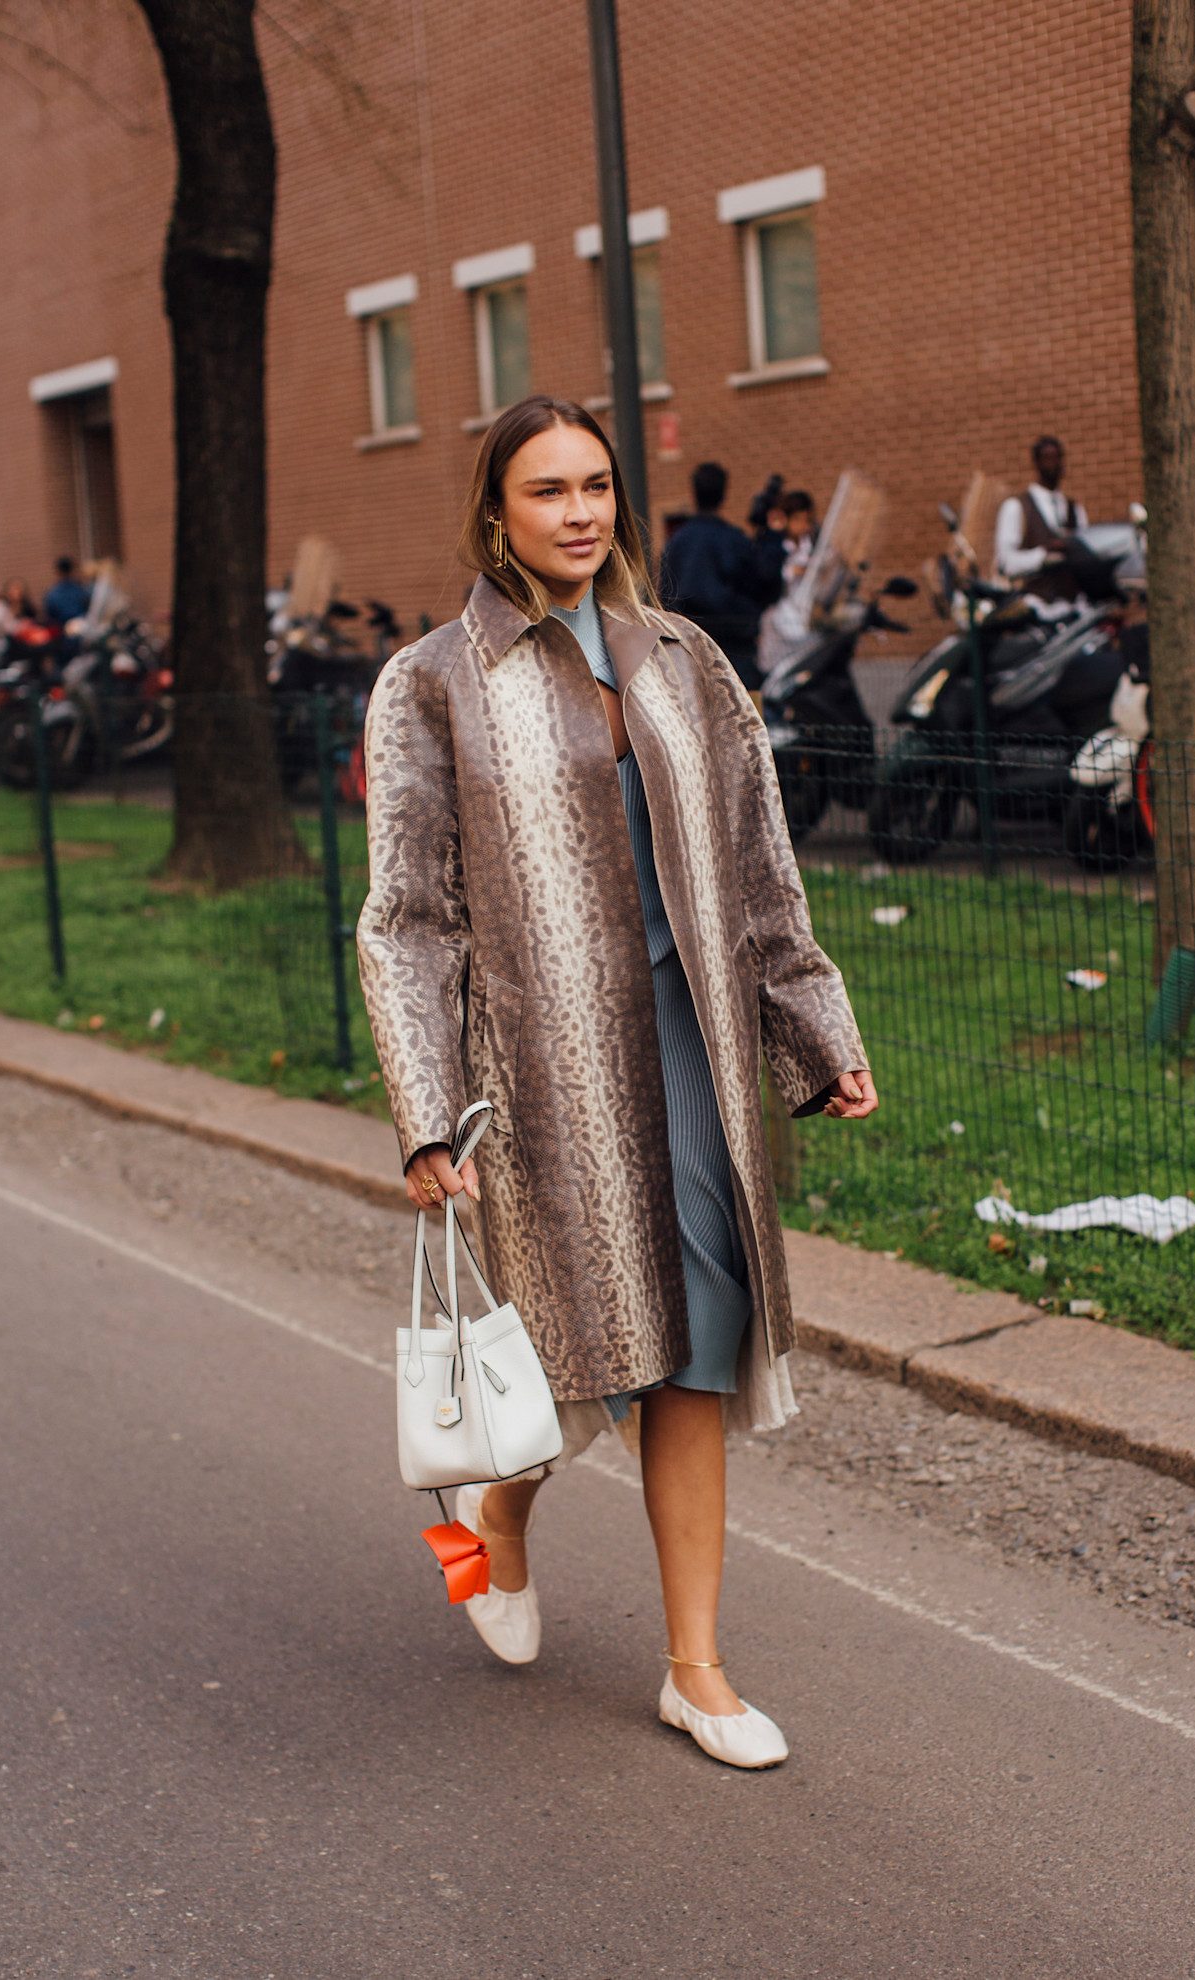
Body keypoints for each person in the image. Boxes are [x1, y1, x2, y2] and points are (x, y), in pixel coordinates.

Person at [357, 395, 875, 1770]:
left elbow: (761, 865)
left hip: (694, 1049)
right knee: (573, 1357)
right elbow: (408, 920)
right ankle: (501, 1516)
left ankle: (694, 1668)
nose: (580, 512)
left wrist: (814, 1027)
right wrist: (424, 1116)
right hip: (535, 1079)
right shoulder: (431, 682)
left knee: (691, 1354)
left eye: (595, 486)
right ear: (495, 515)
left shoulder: (685, 658)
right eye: (547, 491)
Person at [657, 461, 786, 688]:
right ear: (724, 493)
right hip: (734, 653)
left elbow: (663, 595)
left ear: (694, 492)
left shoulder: (676, 543)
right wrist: (772, 539)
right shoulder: (732, 540)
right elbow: (764, 584)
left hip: (687, 651)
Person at [994, 436, 1089, 606]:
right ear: (1036, 463)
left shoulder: (1075, 509)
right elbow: (1006, 563)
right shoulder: (1017, 507)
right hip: (1036, 607)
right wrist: (1043, 554)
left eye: (1058, 458)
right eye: (1047, 458)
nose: (1054, 464)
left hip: (1074, 606)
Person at [780, 489, 817, 591]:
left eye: (808, 520)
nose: (803, 526)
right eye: (797, 520)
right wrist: (791, 572)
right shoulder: (776, 546)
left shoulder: (813, 541)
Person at [42, 556, 92, 625]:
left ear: (58, 572)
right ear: (72, 570)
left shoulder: (52, 593)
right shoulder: (81, 589)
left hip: (62, 630)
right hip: (82, 627)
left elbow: (49, 615)